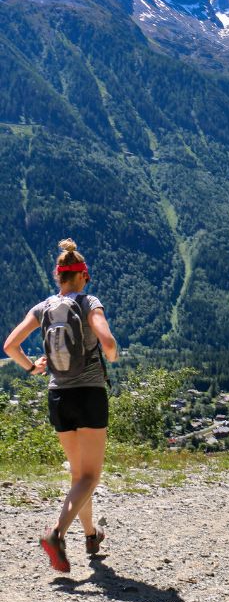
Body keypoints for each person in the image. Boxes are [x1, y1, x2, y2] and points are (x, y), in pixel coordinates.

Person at [4, 239, 120, 572]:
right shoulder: (88, 302)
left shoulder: (42, 308)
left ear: (59, 277)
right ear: (83, 276)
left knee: (79, 477)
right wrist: (111, 353)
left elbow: (10, 345)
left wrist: (32, 367)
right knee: (91, 476)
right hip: (89, 395)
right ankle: (56, 533)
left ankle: (91, 535)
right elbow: (107, 340)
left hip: (58, 397)